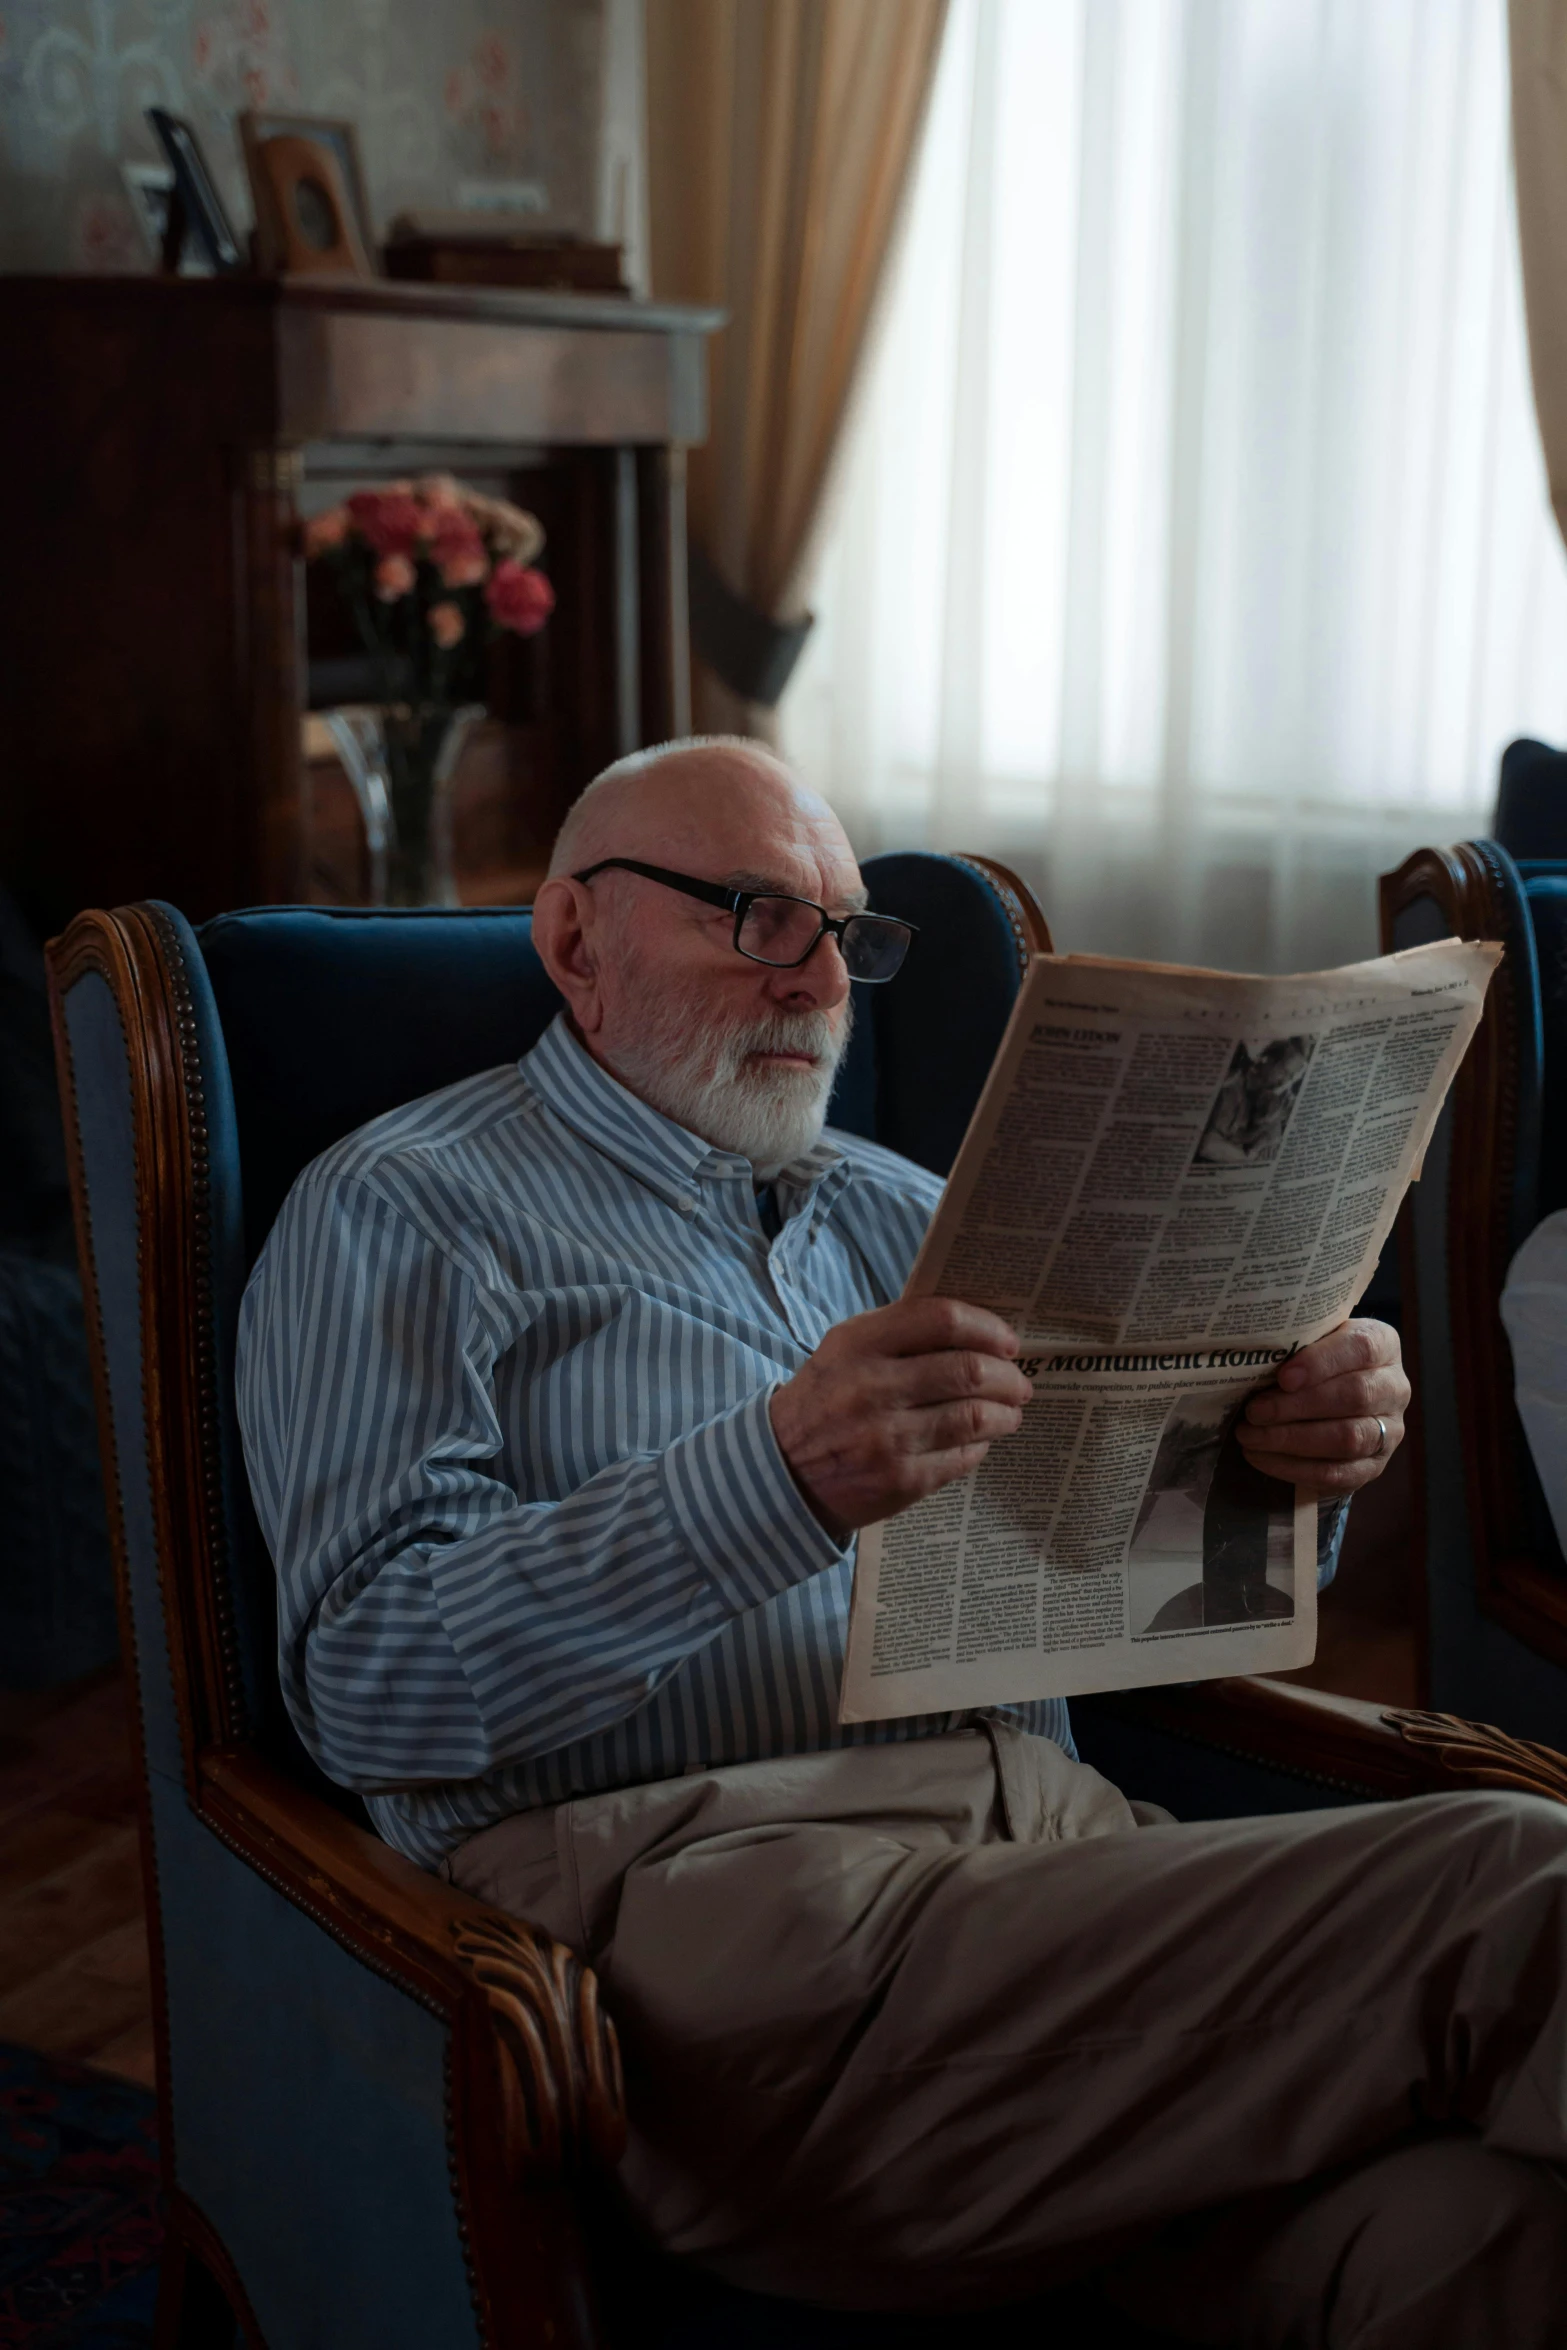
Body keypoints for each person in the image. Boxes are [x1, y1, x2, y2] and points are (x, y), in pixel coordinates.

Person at [237, 739, 1567, 2346]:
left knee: (1484, 2240)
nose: (817, 977)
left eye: (844, 931)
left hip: (1066, 1859)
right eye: (754, 914)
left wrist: (1290, 1466)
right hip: (718, 1932)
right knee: (1520, 1871)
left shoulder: (903, 1210)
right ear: (575, 938)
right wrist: (774, 1479)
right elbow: (367, 1688)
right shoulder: (404, 1209)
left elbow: (1104, 1576)